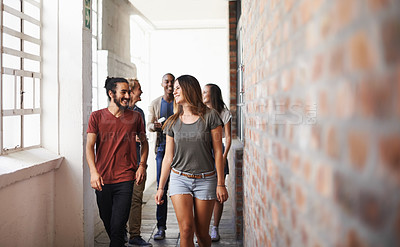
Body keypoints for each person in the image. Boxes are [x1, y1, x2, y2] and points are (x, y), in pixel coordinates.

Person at [155, 75, 229, 247]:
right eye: (174, 87)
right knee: (186, 230)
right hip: (179, 179)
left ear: (190, 89)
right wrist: (160, 187)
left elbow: (218, 151)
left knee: (202, 234)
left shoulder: (211, 117)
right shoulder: (172, 122)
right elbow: (168, 157)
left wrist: (221, 183)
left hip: (206, 180)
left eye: (178, 87)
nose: (174, 91)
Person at [86, 77, 149, 247]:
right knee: (108, 222)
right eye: (123, 92)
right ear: (111, 93)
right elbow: (89, 146)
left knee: (117, 227)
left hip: (125, 179)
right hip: (103, 180)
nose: (128, 95)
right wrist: (93, 171)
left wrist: (141, 166)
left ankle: (119, 238)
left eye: (129, 92)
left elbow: (144, 143)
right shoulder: (96, 116)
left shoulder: (135, 117)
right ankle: (120, 238)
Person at [202, 83, 232, 242]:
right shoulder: (201, 111)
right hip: (204, 152)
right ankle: (203, 229)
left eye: (205, 92)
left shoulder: (224, 113)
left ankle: (215, 227)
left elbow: (228, 137)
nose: (202, 94)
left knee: (218, 192)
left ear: (212, 94)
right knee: (205, 192)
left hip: (218, 151)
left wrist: (223, 156)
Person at [147, 73, 175, 240]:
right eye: (167, 81)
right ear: (162, 83)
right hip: (162, 150)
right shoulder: (156, 103)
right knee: (161, 188)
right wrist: (154, 126)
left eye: (172, 81)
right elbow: (148, 125)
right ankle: (161, 227)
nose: (170, 84)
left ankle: (189, 227)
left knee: (183, 190)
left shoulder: (180, 102)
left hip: (180, 152)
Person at [127, 79, 152, 246]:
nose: (141, 92)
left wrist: (142, 165)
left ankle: (134, 235)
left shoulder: (139, 113)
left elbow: (143, 139)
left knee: (136, 199)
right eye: (139, 89)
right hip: (119, 166)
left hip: (137, 163)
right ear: (130, 91)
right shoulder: (114, 112)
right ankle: (118, 232)